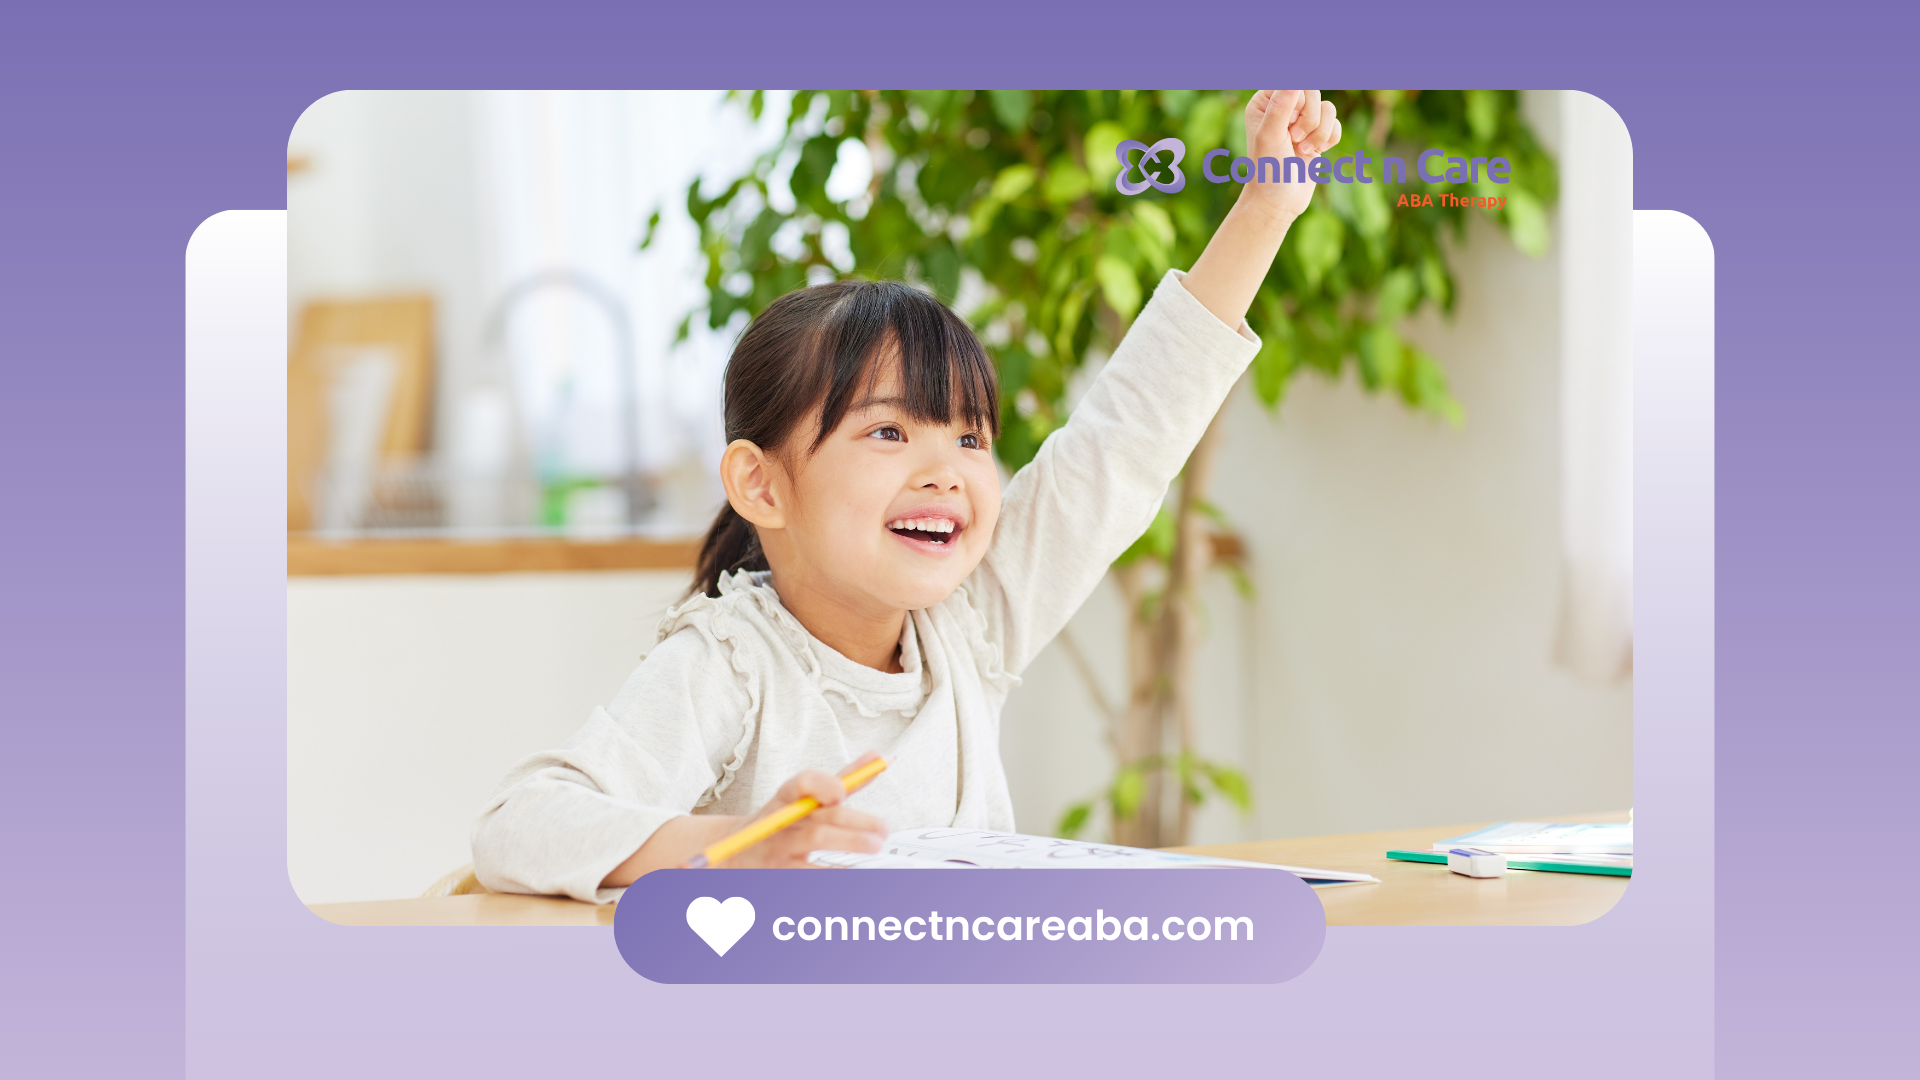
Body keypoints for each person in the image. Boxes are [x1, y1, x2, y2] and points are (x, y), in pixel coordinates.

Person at [472, 90, 1343, 901]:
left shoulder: (969, 624)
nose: (948, 470)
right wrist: (742, 848)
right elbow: (521, 827)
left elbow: (1129, 436)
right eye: (889, 433)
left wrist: (1265, 207)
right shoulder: (729, 662)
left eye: (969, 437)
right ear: (760, 484)